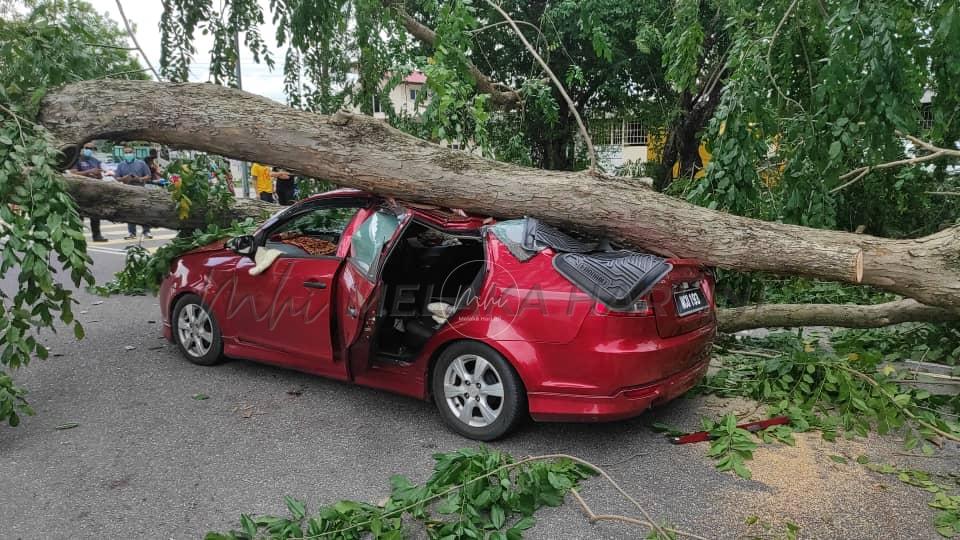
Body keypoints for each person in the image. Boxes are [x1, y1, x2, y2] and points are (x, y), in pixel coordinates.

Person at [69, 142, 108, 242]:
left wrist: (98, 174)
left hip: (93, 191)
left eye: (91, 149)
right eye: (87, 148)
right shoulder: (76, 159)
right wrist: (89, 172)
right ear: (82, 148)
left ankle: (97, 235)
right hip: (80, 192)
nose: (89, 150)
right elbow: (73, 174)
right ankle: (78, 236)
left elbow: (101, 175)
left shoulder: (95, 161)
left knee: (95, 216)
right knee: (79, 216)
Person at [114, 145, 154, 239]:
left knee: (143, 211)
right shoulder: (121, 165)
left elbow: (148, 176)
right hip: (127, 190)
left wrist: (139, 179)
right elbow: (117, 177)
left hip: (140, 190)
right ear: (124, 154)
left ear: (134, 153)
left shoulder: (141, 163)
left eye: (130, 152)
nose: (128, 154)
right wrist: (124, 178)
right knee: (130, 212)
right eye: (126, 152)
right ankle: (131, 233)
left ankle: (146, 231)